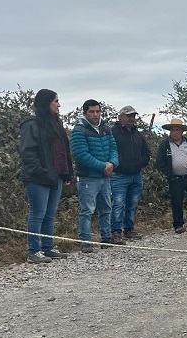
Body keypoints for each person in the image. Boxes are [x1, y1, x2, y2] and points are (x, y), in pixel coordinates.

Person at [19, 89, 73, 263]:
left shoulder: (55, 123)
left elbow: (64, 151)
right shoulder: (31, 124)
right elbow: (28, 153)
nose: (59, 104)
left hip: (55, 176)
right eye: (55, 101)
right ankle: (34, 251)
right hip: (38, 178)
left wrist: (66, 173)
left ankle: (47, 248)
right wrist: (42, 172)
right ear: (46, 103)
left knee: (50, 214)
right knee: (38, 213)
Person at [71, 99, 119, 253]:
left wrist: (112, 163)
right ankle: (85, 242)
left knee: (106, 208)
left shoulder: (105, 128)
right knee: (87, 210)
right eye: (91, 111)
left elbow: (113, 148)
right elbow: (81, 155)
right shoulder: (79, 130)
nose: (95, 114)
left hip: (105, 177)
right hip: (88, 177)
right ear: (85, 112)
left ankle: (106, 238)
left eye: (97, 111)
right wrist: (103, 166)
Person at [110, 105, 150, 244]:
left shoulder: (138, 134)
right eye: (128, 116)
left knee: (132, 204)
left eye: (133, 116)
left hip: (136, 174)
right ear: (121, 117)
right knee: (118, 204)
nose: (131, 118)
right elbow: (109, 151)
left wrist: (141, 162)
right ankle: (115, 232)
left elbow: (146, 152)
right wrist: (117, 164)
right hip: (119, 175)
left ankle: (129, 229)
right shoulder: (113, 132)